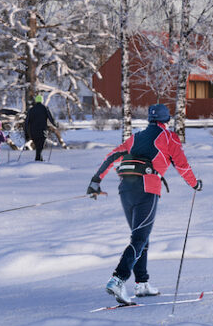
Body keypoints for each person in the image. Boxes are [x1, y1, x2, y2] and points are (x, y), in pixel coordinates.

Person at [87, 103, 202, 305]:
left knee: (140, 237)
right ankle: (118, 280)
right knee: (140, 237)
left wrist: (95, 181)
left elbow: (112, 156)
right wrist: (195, 184)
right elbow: (182, 166)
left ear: (150, 118)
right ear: (167, 119)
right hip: (147, 188)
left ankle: (142, 284)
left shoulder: (136, 137)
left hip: (125, 189)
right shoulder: (169, 137)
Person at [23, 94, 58, 162]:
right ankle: (38, 160)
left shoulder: (31, 109)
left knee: (38, 146)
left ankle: (39, 160)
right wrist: (55, 125)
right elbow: (51, 118)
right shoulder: (45, 108)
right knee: (40, 146)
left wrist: (26, 133)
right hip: (42, 131)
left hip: (33, 131)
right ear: (42, 100)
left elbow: (26, 122)